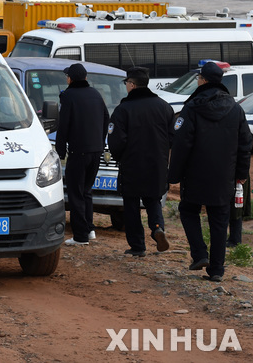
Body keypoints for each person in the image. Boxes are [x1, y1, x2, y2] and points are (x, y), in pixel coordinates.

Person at [169, 61, 252, 282]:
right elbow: (245, 144)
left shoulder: (192, 107)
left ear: (203, 80)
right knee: (219, 220)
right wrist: (241, 174)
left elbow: (181, 144)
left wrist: (174, 175)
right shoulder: (235, 109)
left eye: (198, 78)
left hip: (195, 174)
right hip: (225, 175)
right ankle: (216, 270)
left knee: (188, 210)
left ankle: (199, 254)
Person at [107, 67, 175, 257]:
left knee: (131, 205)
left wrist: (121, 158)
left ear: (132, 84)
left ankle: (138, 246)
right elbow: (172, 137)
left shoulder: (123, 109)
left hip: (132, 165)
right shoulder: (164, 106)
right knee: (153, 200)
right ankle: (157, 228)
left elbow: (115, 140)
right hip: (157, 165)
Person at [56, 63, 109, 245]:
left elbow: (63, 126)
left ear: (71, 78)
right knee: (86, 191)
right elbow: (106, 118)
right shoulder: (95, 94)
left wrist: (60, 150)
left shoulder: (68, 96)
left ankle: (80, 237)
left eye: (67, 76)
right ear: (85, 78)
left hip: (78, 152)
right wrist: (100, 143)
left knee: (75, 193)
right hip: (96, 152)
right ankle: (90, 229)